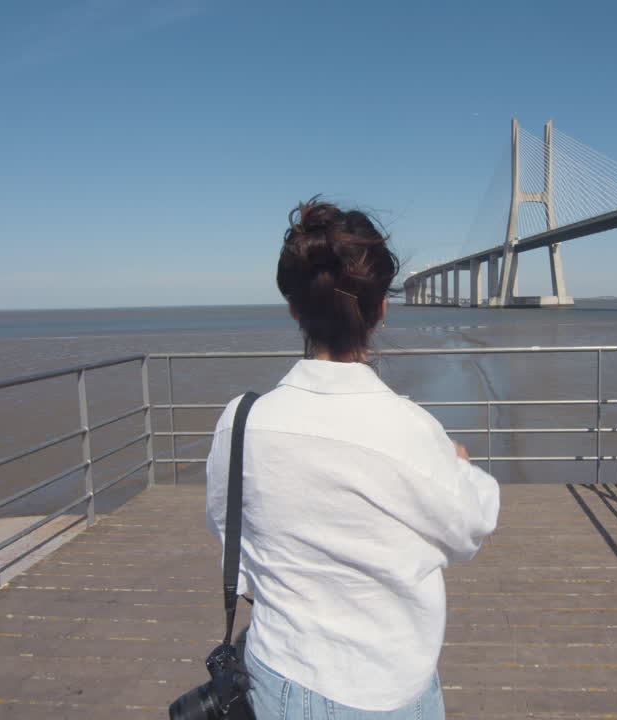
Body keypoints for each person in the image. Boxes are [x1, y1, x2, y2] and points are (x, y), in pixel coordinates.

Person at [205, 197, 500, 719]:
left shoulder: (241, 420)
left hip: (279, 678)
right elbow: (472, 528)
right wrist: (458, 464)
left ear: (294, 308)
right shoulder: (412, 430)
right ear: (382, 309)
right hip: (390, 690)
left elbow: (233, 536)